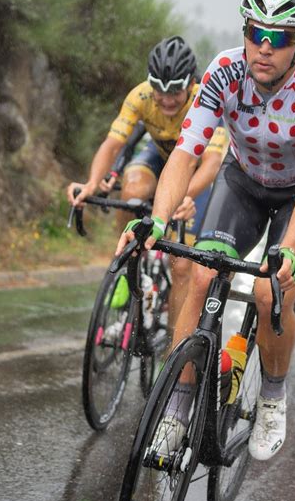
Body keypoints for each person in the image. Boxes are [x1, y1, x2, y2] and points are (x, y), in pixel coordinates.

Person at [117, 0, 295, 461]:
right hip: (242, 182)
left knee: (269, 293)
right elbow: (185, 152)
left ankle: (274, 395)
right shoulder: (223, 70)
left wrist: (288, 253)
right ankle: (177, 408)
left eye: (279, 37)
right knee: (200, 275)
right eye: (254, 31)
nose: (263, 47)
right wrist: (155, 223)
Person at [67, 36, 228, 326]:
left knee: (182, 267)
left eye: (175, 91)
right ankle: (126, 261)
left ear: (191, 84)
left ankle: (174, 355)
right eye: (159, 90)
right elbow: (113, 143)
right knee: (132, 189)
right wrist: (92, 182)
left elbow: (212, 163)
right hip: (159, 154)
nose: (166, 99)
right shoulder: (140, 96)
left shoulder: (206, 99)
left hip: (195, 168)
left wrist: (183, 197)